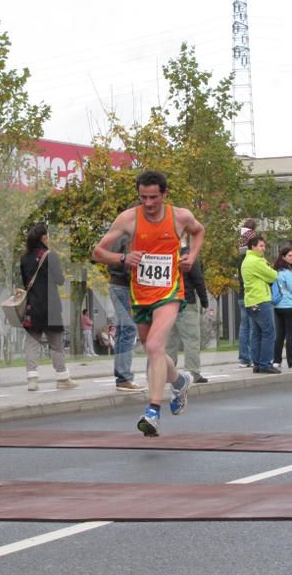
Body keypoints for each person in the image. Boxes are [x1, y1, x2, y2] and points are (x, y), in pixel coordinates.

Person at [92, 170, 204, 437]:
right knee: (152, 350)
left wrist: (192, 257)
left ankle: (153, 411)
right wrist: (122, 258)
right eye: (143, 198)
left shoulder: (180, 216)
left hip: (169, 292)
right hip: (140, 294)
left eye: (154, 197)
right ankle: (179, 380)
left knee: (155, 345)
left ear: (164, 194)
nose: (149, 203)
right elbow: (98, 252)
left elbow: (199, 231)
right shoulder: (129, 219)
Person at [20, 223, 77, 392]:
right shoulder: (49, 255)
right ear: (44, 237)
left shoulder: (24, 258)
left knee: (32, 342)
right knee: (56, 343)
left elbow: (25, 282)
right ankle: (62, 378)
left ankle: (32, 379)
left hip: (32, 305)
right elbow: (59, 280)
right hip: (51, 306)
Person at [167, 245, 212, 383]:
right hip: (186, 302)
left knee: (169, 342)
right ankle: (193, 372)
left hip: (166, 304)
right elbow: (198, 281)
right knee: (191, 340)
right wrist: (205, 303)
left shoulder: (166, 253)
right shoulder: (188, 256)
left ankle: (167, 373)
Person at [106, 233, 144, 391]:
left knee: (123, 330)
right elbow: (120, 263)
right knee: (128, 330)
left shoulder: (118, 237)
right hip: (123, 286)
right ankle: (124, 377)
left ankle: (122, 375)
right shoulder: (128, 238)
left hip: (118, 285)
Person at [241, 236, 280, 374]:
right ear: (253, 246)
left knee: (256, 333)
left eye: (264, 246)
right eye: (261, 246)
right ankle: (265, 363)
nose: (263, 248)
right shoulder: (256, 261)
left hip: (251, 301)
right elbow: (274, 276)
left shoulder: (247, 260)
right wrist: (266, 264)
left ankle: (257, 364)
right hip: (261, 300)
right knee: (269, 333)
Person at [235, 252, 253, 368]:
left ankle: (243, 358)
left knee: (244, 327)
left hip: (242, 296)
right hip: (250, 296)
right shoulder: (251, 260)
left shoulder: (241, 260)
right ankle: (251, 357)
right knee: (252, 327)